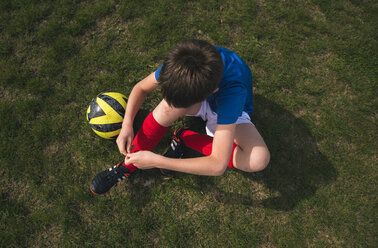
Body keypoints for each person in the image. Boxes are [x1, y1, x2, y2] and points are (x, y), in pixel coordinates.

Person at [90, 39, 270, 195]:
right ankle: (127, 167)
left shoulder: (233, 93)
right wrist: (127, 124)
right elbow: (141, 88)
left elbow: (218, 164)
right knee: (166, 109)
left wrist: (157, 160)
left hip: (227, 110)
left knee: (258, 159)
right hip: (201, 94)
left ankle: (184, 138)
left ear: (211, 92)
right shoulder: (183, 63)